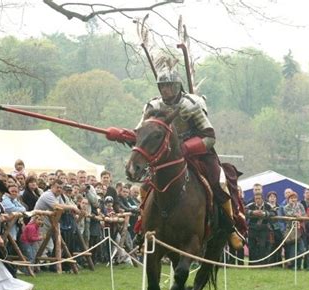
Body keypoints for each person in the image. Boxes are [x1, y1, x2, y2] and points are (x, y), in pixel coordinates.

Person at [107, 59, 244, 249]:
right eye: (162, 86)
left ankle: (230, 227)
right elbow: (141, 135)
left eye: (169, 86)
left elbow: (209, 136)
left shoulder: (191, 104)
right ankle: (142, 226)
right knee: (147, 187)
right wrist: (120, 134)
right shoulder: (153, 107)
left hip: (197, 152)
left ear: (177, 85)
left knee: (219, 181)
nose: (165, 90)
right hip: (166, 156)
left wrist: (185, 148)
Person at [245, 193, 275, 265]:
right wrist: (252, 212)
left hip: (263, 228)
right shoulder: (250, 205)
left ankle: (262, 264)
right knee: (251, 246)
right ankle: (252, 264)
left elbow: (274, 213)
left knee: (262, 246)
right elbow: (243, 210)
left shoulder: (268, 205)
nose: (257, 200)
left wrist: (265, 214)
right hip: (252, 227)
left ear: (262, 199)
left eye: (259, 199)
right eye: (256, 199)